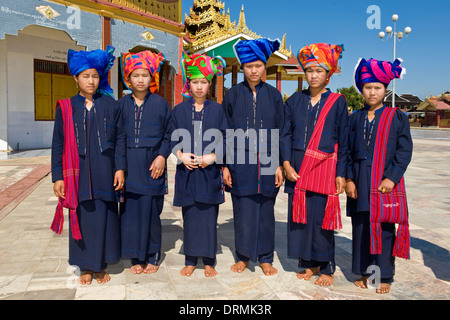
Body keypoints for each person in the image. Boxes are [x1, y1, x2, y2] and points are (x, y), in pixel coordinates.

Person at [51, 45, 126, 285]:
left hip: (105, 171)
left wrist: (120, 168)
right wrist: (57, 177)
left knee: (104, 216)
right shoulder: (66, 107)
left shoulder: (110, 105)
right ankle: (85, 266)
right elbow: (58, 144)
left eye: (95, 76)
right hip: (78, 174)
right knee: (81, 217)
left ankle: (101, 265)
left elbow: (120, 139)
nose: (91, 81)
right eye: (85, 76)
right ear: (76, 78)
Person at [280, 43, 348, 286]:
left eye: (319, 71)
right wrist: (286, 164)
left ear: (327, 74)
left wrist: (342, 174)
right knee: (301, 219)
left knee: (321, 220)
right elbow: (285, 134)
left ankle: (327, 267)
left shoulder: (337, 101)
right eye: (310, 71)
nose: (314, 75)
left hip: (325, 169)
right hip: (298, 168)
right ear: (304, 73)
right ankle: (309, 264)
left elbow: (344, 139)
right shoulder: (294, 100)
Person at [346, 58, 412, 294]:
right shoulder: (354, 119)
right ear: (361, 89)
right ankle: (366, 273)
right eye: (367, 87)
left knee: (384, 230)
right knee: (362, 228)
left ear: (385, 90)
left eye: (377, 88)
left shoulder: (397, 117)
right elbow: (346, 151)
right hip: (359, 182)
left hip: (384, 184)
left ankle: (383, 275)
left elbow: (404, 151)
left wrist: (392, 177)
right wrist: (349, 180)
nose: (372, 92)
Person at [222, 38, 284, 276]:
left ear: (264, 66)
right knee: (243, 212)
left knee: (266, 212)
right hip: (240, 163)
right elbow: (225, 131)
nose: (254, 70)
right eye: (249, 66)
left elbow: (281, 131)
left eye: (258, 65)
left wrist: (279, 163)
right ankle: (244, 256)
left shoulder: (274, 96)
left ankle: (266, 257)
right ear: (242, 68)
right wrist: (225, 165)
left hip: (268, 163)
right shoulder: (233, 95)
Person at [171, 53, 228, 277]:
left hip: (209, 173)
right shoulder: (179, 111)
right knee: (190, 216)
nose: (199, 86)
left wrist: (213, 157)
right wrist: (180, 155)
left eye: (203, 82)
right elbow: (172, 138)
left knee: (208, 216)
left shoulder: (217, 110)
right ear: (189, 83)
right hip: (187, 173)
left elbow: (226, 138)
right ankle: (190, 259)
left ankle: (209, 261)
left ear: (209, 84)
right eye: (195, 82)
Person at [118, 50, 171, 274]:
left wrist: (161, 156)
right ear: (128, 78)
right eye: (135, 75)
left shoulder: (160, 104)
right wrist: (120, 168)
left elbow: (170, 135)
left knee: (151, 214)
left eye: (145, 75)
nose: (140, 79)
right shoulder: (120, 105)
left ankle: (152, 255)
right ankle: (135, 257)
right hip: (130, 169)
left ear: (152, 78)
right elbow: (117, 138)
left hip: (153, 168)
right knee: (130, 214)